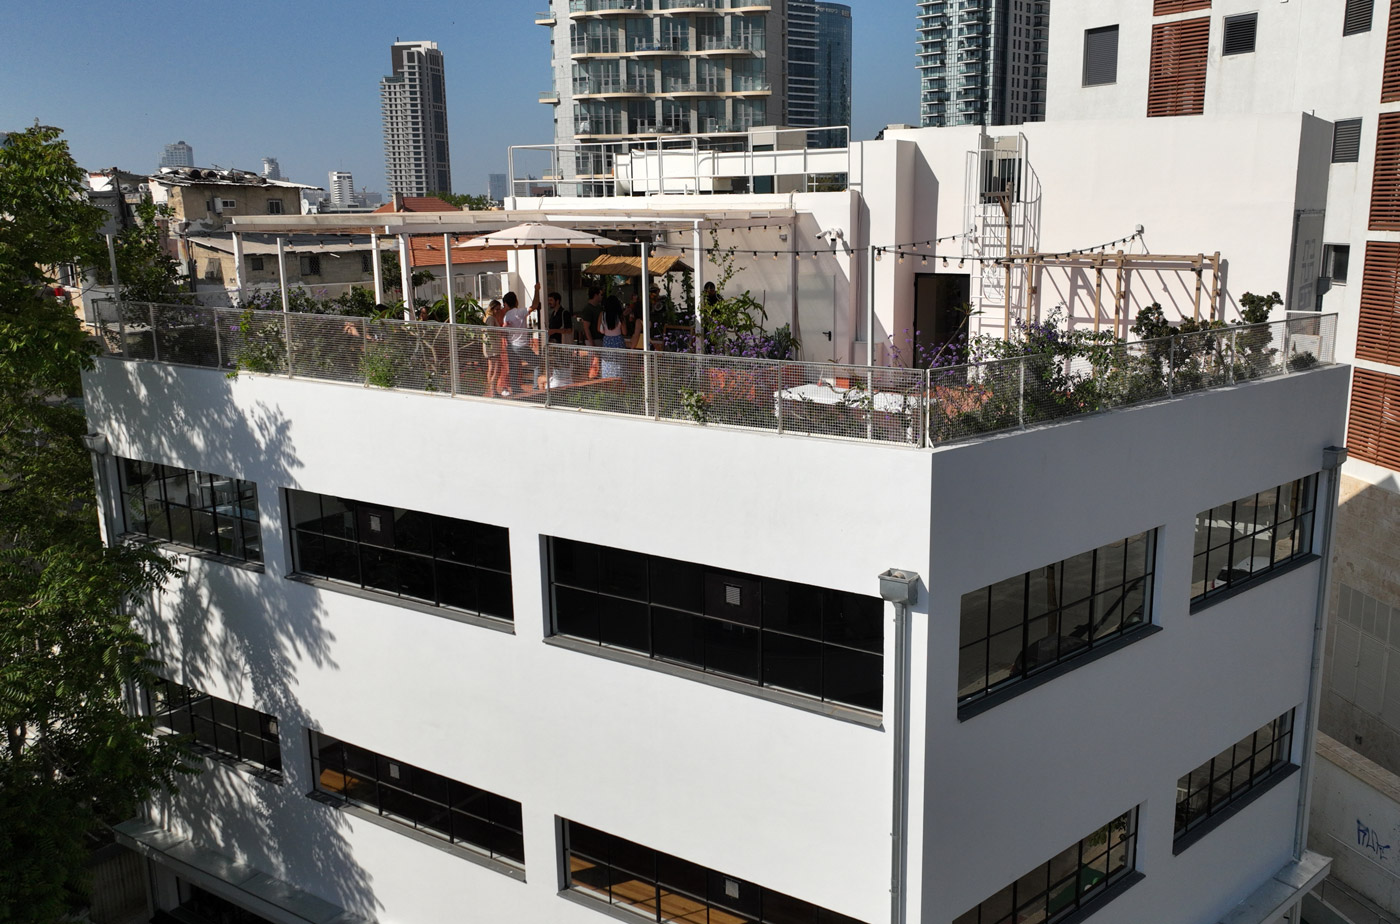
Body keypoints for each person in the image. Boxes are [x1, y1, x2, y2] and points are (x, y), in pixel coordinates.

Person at [502, 286, 540, 392]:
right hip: (521, 345)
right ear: (516, 301)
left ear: (506, 304)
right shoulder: (520, 312)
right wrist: (536, 290)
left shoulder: (506, 316)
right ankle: (536, 387)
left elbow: (505, 332)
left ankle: (516, 389)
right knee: (537, 363)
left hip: (511, 346)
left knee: (513, 368)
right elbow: (534, 305)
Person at [597, 294, 627, 378]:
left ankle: (607, 380)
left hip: (607, 341)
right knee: (619, 365)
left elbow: (599, 329)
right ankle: (620, 381)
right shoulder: (620, 316)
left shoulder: (602, 314)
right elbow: (625, 332)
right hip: (618, 341)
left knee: (608, 363)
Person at [483, 299, 508, 396]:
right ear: (492, 309)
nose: (498, 311)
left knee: (492, 368)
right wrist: (501, 331)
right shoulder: (490, 318)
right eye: (497, 309)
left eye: (499, 309)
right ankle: (493, 389)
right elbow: (489, 331)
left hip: (490, 346)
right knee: (496, 368)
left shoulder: (488, 317)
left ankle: (492, 390)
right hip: (493, 347)